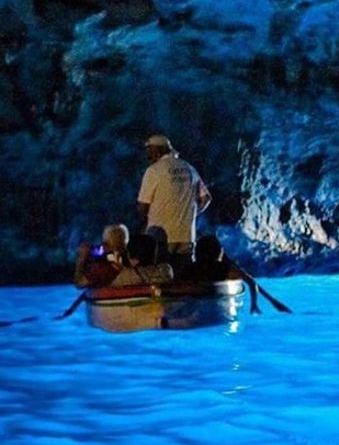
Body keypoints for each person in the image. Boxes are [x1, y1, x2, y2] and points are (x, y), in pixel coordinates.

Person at [137, 134, 211, 268]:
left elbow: (142, 206)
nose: (148, 156)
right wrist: (191, 215)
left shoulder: (154, 171)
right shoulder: (189, 168)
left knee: (162, 277)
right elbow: (206, 198)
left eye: (149, 151)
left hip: (161, 238)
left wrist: (144, 225)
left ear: (157, 150)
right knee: (184, 277)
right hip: (186, 236)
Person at [184, 234, 260, 314]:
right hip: (220, 311)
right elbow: (252, 282)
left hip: (194, 311)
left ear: (197, 252)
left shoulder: (190, 269)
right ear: (219, 252)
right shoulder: (223, 269)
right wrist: (254, 304)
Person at [73, 223, 130, 288]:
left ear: (106, 245)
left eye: (104, 243)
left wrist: (81, 259)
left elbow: (79, 283)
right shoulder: (131, 265)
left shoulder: (100, 269)